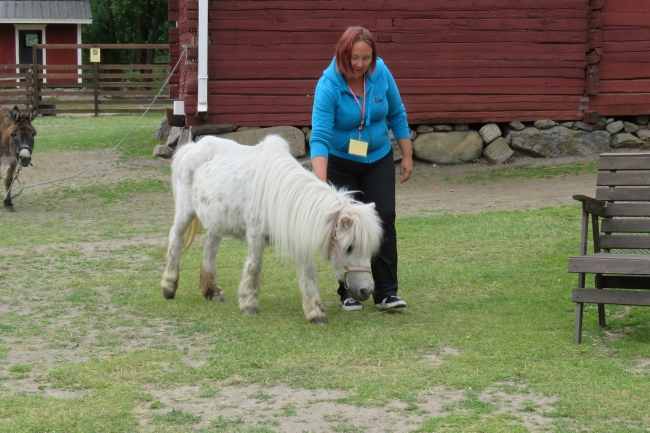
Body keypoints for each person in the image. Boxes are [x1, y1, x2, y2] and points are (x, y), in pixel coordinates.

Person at [310, 26, 413, 311]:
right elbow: (319, 137)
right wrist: (321, 185)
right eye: (354, 58)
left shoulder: (381, 73)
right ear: (343, 54)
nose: (359, 64)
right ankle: (348, 290)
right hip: (341, 163)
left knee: (384, 217)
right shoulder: (329, 85)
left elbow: (396, 112)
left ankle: (386, 292)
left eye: (366, 58)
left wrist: (407, 153)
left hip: (378, 157)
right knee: (346, 225)